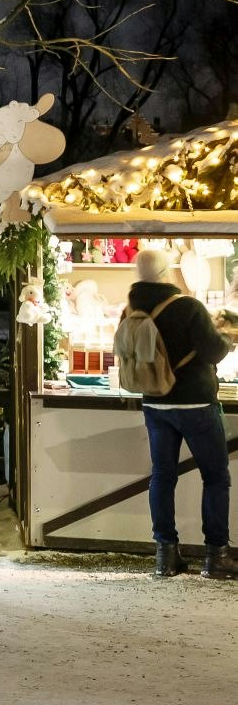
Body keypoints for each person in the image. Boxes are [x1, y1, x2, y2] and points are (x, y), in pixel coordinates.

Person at [127, 247, 233, 579]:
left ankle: (166, 556)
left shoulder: (130, 308)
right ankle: (216, 557)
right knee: (215, 477)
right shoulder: (187, 306)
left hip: (155, 403)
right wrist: (225, 337)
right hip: (196, 404)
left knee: (162, 476)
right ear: (167, 272)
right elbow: (213, 352)